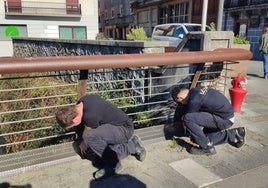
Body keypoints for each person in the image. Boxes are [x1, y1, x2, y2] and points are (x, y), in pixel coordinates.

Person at [55, 94, 146, 179]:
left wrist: (84, 143)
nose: (74, 127)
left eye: (72, 126)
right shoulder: (83, 101)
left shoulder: (90, 115)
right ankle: (132, 145)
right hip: (113, 128)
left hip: (124, 130)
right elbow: (90, 126)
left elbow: (89, 132)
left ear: (75, 120)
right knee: (98, 160)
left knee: (89, 137)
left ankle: (114, 164)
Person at [171, 86, 245, 155]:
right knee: (201, 138)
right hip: (227, 116)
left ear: (180, 98)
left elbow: (190, 117)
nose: (181, 103)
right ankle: (234, 134)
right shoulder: (198, 89)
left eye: (180, 102)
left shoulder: (194, 100)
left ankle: (207, 147)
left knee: (187, 118)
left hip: (224, 120)